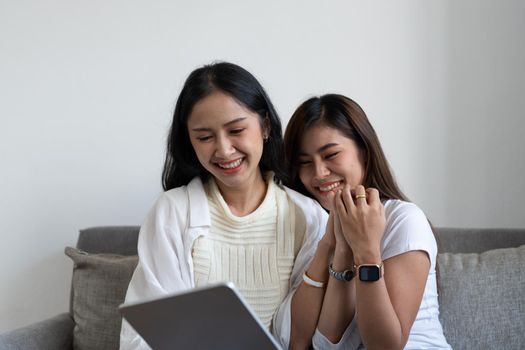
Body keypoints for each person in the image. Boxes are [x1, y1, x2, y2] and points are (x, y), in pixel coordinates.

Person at [119, 62, 333, 350]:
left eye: (236, 130)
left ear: (265, 125)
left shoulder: (307, 218)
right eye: (205, 137)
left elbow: (305, 336)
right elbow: (143, 335)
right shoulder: (172, 211)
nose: (223, 150)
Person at [284, 94, 451, 349]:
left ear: (363, 149)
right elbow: (314, 344)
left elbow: (385, 346)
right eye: (305, 162)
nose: (318, 173)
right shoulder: (315, 226)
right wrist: (335, 245)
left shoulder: (404, 219)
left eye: (331, 155)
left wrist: (365, 249)